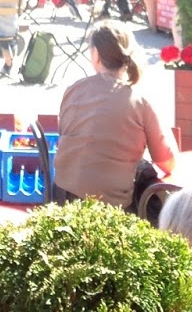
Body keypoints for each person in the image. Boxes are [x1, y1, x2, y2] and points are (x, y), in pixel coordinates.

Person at [53, 24, 177, 207]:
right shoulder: (139, 100)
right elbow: (167, 163)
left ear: (96, 54)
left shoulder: (73, 90)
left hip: (62, 199)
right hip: (112, 210)